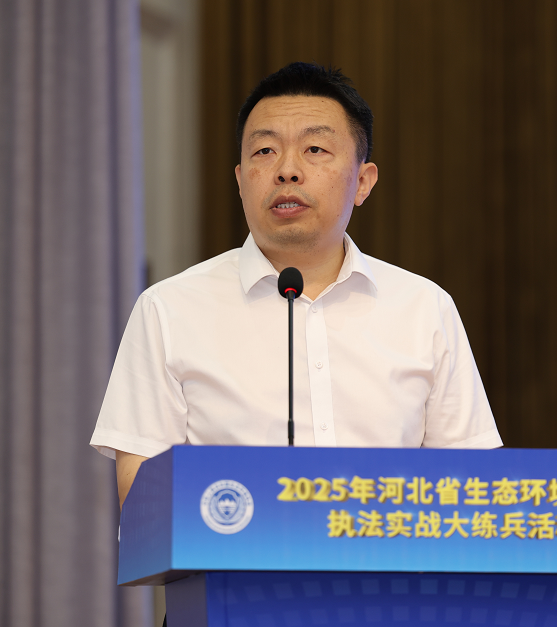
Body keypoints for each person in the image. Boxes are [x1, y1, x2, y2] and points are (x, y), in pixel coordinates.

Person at [91, 63, 502, 509]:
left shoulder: (424, 308)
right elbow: (143, 498)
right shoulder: (169, 310)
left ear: (363, 182)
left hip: (386, 555)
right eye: (265, 151)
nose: (287, 170)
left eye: (315, 149)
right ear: (241, 181)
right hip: (235, 556)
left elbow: (473, 487)